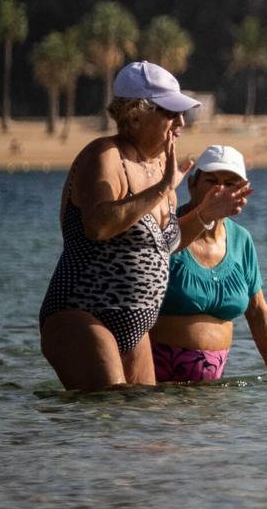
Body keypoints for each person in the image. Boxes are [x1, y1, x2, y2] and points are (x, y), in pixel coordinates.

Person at [38, 61, 250, 391]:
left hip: (134, 328)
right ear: (135, 115)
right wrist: (162, 188)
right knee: (113, 404)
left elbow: (168, 242)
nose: (180, 123)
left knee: (146, 426)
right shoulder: (105, 155)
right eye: (170, 113)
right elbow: (98, 226)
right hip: (82, 313)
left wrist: (207, 213)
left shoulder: (158, 167)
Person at [151, 144, 267, 383]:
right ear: (192, 184)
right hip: (156, 382)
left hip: (212, 390)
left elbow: (257, 310)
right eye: (211, 181)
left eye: (231, 183)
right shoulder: (168, 230)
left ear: (244, 191)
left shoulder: (241, 240)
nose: (220, 190)